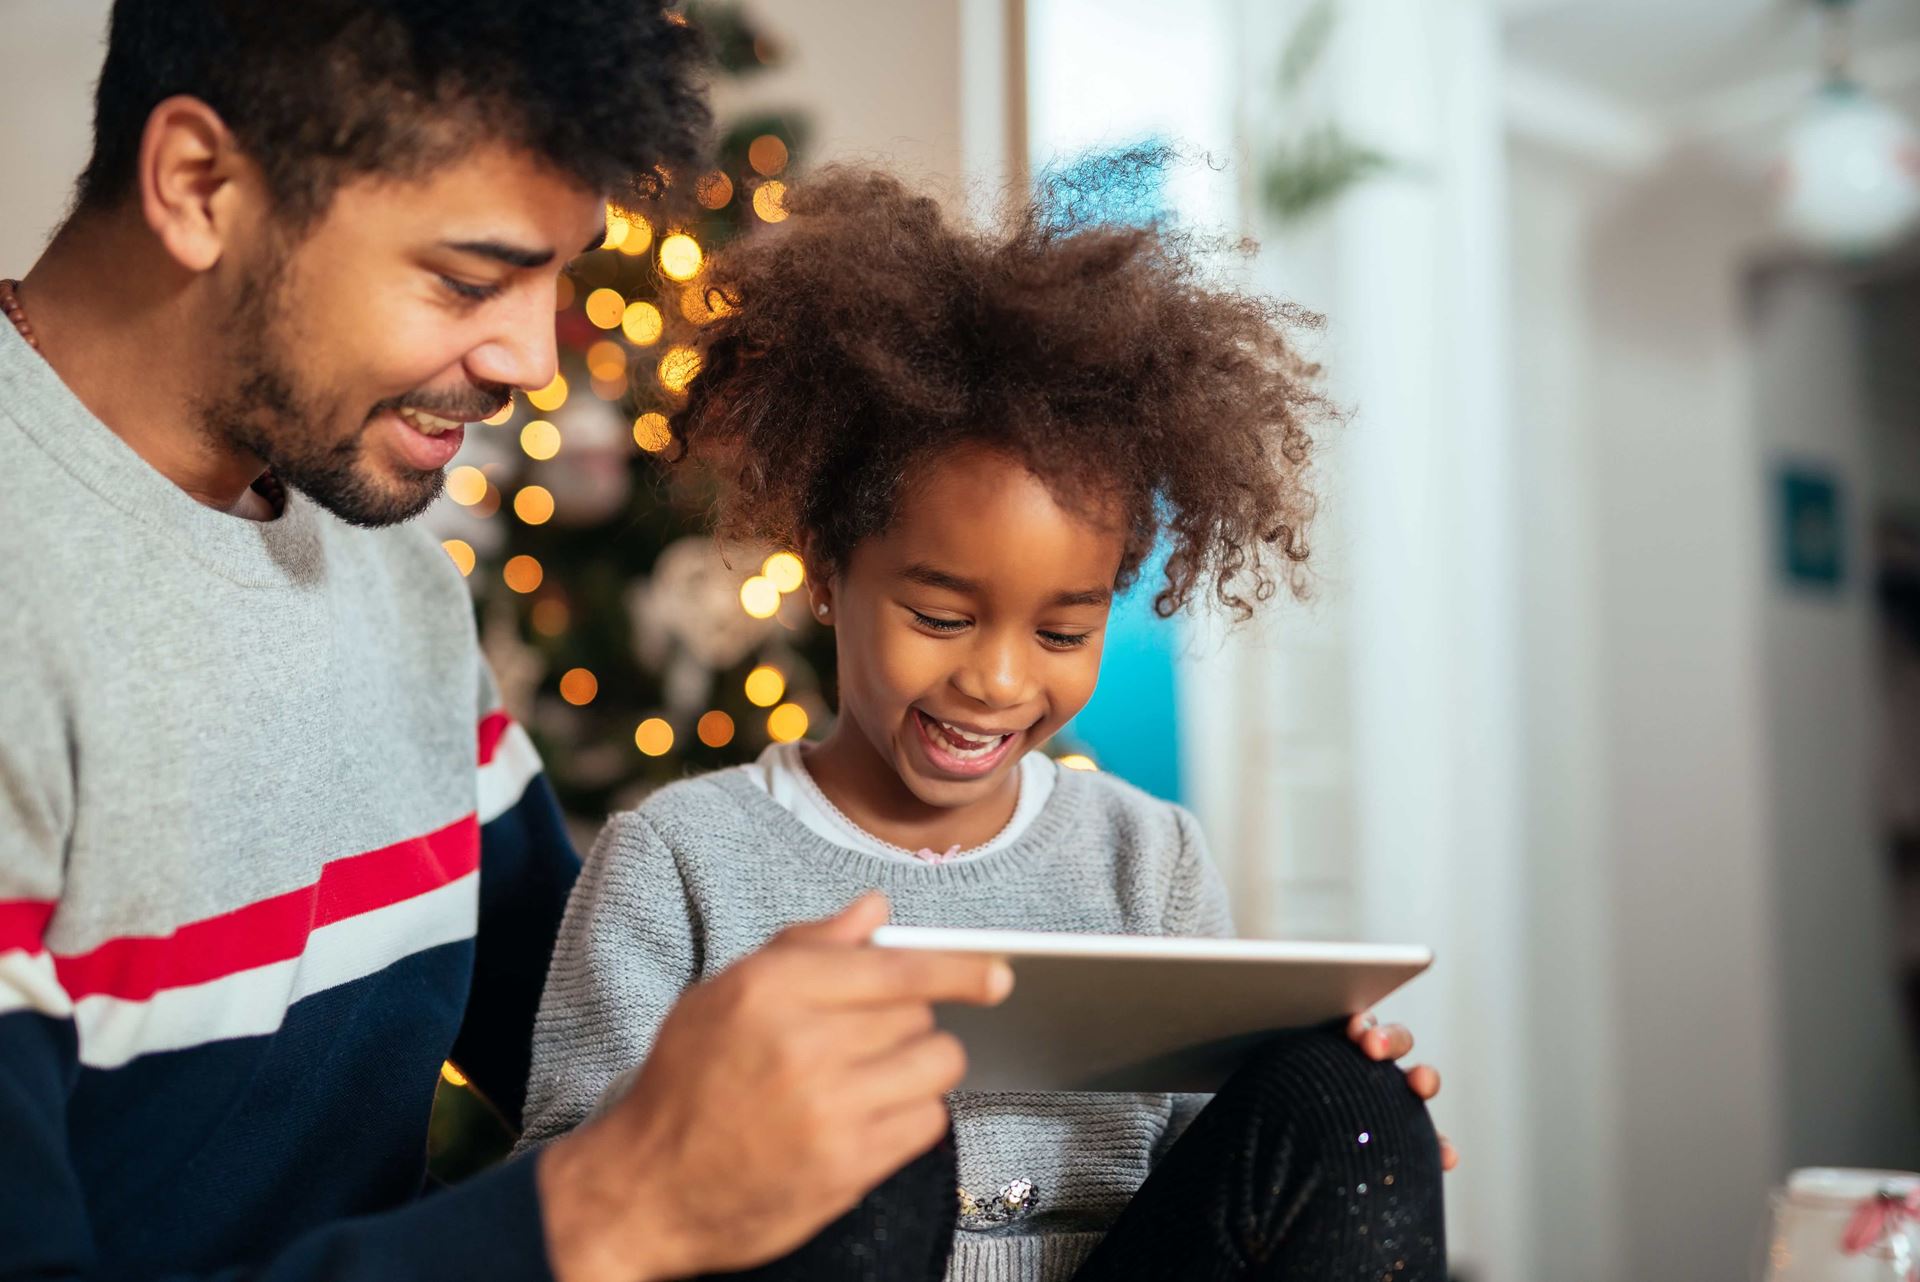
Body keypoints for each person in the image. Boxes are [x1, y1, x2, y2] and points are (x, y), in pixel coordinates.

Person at [0, 6, 1012, 1281]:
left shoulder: (378, 555)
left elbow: (577, 1003)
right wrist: (601, 1209)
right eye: (469, 280)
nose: (532, 357)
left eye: (559, 273)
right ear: (201, 187)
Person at [518, 166, 1455, 1282]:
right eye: (942, 615)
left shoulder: (1146, 858)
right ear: (825, 570)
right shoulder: (678, 858)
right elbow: (572, 1193)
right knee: (868, 1095)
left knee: (1352, 1102)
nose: (1000, 681)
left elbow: (1206, 1186)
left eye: (1063, 633)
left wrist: (1324, 1127)